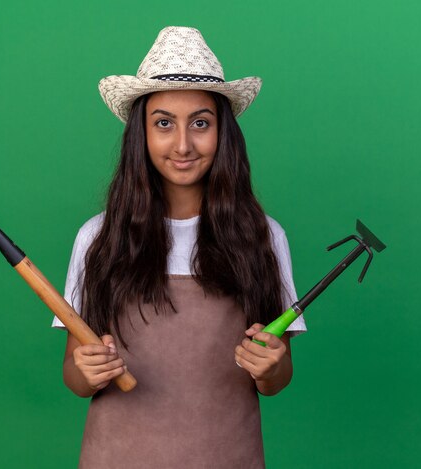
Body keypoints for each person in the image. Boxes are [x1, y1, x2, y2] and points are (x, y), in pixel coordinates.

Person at [52, 26, 307, 468]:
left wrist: (271, 367)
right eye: (164, 123)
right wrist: (87, 372)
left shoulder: (263, 237)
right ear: (141, 134)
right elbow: (74, 375)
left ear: (223, 133)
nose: (183, 144)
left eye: (201, 124)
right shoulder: (98, 237)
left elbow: (276, 379)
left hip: (228, 455)